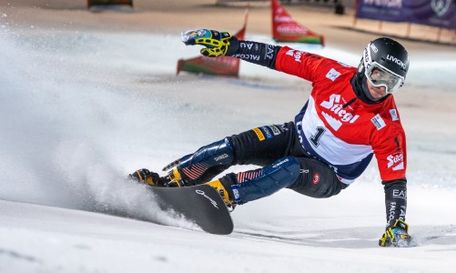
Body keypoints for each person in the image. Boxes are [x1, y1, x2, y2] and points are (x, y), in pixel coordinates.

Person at [130, 29, 413, 247]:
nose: (382, 87)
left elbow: (395, 182)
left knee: (289, 167)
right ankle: (170, 183)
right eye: (378, 75)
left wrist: (396, 223)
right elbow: (276, 56)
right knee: (232, 147)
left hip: (329, 175)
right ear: (365, 64)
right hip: (295, 137)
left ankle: (223, 194)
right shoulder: (330, 72)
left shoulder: (387, 126)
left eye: (393, 83)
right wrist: (233, 46)